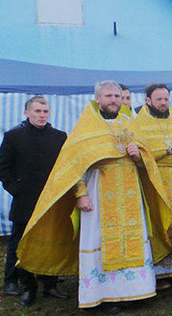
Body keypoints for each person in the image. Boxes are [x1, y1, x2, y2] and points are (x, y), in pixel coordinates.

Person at [16, 81, 172, 313]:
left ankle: (133, 292)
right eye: (108, 96)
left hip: (130, 193)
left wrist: (139, 155)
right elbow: (73, 166)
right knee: (99, 240)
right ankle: (102, 297)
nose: (113, 100)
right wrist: (80, 194)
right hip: (98, 192)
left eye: (117, 96)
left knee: (132, 239)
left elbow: (146, 160)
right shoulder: (86, 126)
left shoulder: (130, 122)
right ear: (97, 99)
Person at [0, 96, 68, 304]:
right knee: (20, 242)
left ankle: (50, 284)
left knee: (50, 242)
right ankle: (24, 284)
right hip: (25, 200)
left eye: (45, 111)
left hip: (51, 201)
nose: (42, 115)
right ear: (27, 112)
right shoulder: (13, 136)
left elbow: (66, 166)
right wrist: (16, 189)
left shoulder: (59, 136)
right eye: (37, 111)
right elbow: (4, 167)